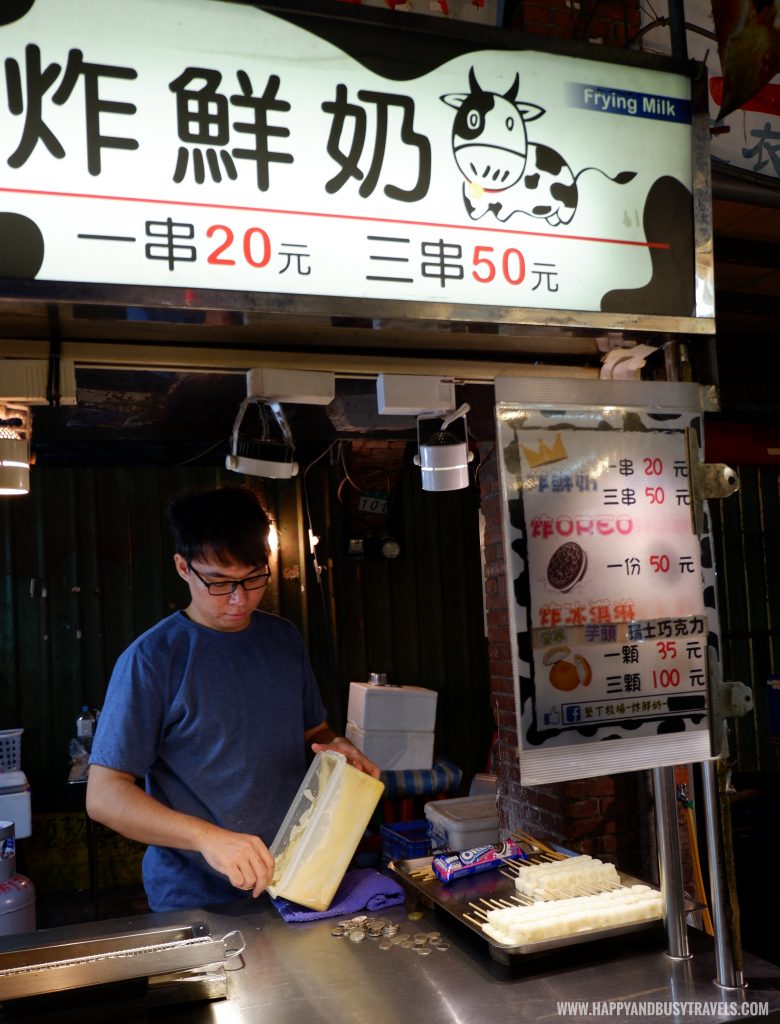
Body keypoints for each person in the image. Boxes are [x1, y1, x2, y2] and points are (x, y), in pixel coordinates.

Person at [86, 484, 379, 913]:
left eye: (254, 578)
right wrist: (207, 838)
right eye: (219, 583)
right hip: (196, 898)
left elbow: (313, 732)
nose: (240, 599)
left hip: (297, 881)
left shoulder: (283, 640)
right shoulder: (152, 660)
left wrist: (338, 749)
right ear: (183, 567)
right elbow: (104, 796)